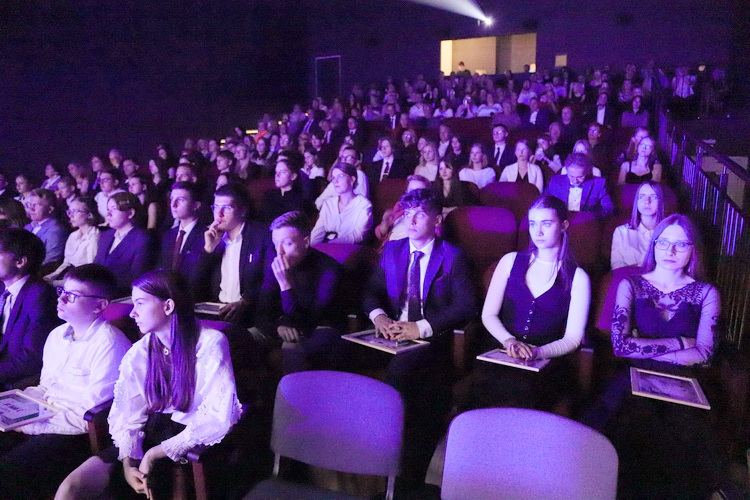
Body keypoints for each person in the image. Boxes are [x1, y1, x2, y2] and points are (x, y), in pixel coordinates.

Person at [56, 270, 242, 500]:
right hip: (151, 433)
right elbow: (128, 414)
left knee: (154, 485)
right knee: (71, 488)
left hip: (189, 441)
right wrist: (129, 461)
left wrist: (155, 454)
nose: (133, 313)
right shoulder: (141, 350)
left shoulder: (210, 342)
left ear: (168, 306)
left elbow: (217, 416)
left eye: (140, 303)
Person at [593, 214, 721, 497]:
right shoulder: (631, 284)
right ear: (654, 245)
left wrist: (645, 349)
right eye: (663, 243)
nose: (670, 251)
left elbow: (705, 353)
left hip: (685, 380)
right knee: (630, 423)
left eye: (680, 244)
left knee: (680, 435)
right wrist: (681, 342)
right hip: (634, 375)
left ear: (693, 249)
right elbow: (620, 346)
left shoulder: (706, 292)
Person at [361, 188, 475, 480]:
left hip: (429, 339)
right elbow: (371, 292)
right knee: (337, 353)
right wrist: (380, 316)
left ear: (436, 220)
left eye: (420, 215)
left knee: (402, 369)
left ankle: (389, 454)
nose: (410, 221)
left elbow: (466, 305)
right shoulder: (393, 249)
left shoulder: (452, 256)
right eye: (408, 214)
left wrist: (420, 327)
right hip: (389, 331)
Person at [0, 264, 130, 499]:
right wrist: (12, 409)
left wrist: (31, 425)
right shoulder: (57, 335)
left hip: (74, 434)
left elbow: (88, 416)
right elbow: (45, 387)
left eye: (72, 296)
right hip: (44, 416)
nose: (60, 299)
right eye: (62, 292)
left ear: (100, 305)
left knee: (9, 471)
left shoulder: (110, 344)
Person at [474, 195, 590, 409]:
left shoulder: (578, 277)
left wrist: (537, 352)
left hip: (547, 360)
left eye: (546, 223)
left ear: (563, 226)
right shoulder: (509, 261)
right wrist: (509, 341)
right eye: (533, 224)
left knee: (525, 394)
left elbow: (573, 338)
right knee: (484, 393)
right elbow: (488, 314)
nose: (538, 232)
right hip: (502, 351)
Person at [251, 211, 343, 374]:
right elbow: (261, 312)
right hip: (285, 325)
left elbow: (310, 319)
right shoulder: (275, 262)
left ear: (306, 242)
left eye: (287, 243)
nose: (279, 251)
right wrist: (278, 327)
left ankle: (292, 391)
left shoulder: (329, 269)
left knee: (291, 348)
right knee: (247, 335)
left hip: (320, 328)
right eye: (275, 243)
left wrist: (285, 285)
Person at [202, 183, 270, 326]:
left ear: (242, 210)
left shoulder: (261, 236)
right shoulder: (211, 236)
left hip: (250, 315)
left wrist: (246, 301)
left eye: (226, 208)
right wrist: (209, 250)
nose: (219, 214)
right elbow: (196, 284)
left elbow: (269, 280)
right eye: (216, 207)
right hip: (217, 311)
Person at [0, 228, 60, 389]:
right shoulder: (2, 289)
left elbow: (31, 356)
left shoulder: (41, 295)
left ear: (20, 262)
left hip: (17, 380)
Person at [94, 192, 153, 297]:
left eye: (114, 209)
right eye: (108, 209)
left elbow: (136, 277)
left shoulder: (143, 239)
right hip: (98, 292)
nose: (108, 214)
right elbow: (96, 265)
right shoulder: (106, 235)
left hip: (122, 296)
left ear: (130, 213)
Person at [158, 182, 207, 297]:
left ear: (196, 205)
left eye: (180, 200)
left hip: (193, 297)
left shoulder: (205, 235)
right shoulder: (168, 234)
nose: (173, 204)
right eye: (172, 199)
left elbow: (200, 275)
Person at [310, 162, 372, 245]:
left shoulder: (364, 205)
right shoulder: (329, 203)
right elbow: (318, 232)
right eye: (333, 177)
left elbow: (358, 236)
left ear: (352, 179)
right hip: (327, 247)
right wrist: (312, 248)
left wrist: (331, 244)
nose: (335, 181)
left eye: (340, 176)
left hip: (351, 249)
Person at [44, 197, 102, 284]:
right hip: (69, 277)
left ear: (89, 215)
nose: (70, 215)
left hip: (83, 281)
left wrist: (56, 283)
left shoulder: (94, 236)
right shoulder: (73, 235)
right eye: (69, 212)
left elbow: (90, 270)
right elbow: (66, 263)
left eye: (75, 211)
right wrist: (50, 276)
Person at [611, 181, 665, 269]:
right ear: (637, 201)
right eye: (642, 196)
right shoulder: (622, 232)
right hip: (630, 277)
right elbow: (617, 267)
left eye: (653, 197)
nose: (647, 201)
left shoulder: (669, 232)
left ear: (660, 201)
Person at [546, 153, 614, 218]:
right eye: (571, 176)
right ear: (566, 170)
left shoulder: (599, 184)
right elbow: (545, 204)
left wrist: (587, 217)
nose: (575, 181)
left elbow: (608, 209)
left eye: (580, 177)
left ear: (587, 172)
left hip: (586, 222)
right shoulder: (555, 181)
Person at [24, 188, 69, 272]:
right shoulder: (28, 227)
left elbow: (50, 261)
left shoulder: (56, 230)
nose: (31, 208)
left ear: (50, 209)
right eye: (30, 204)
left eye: (36, 205)